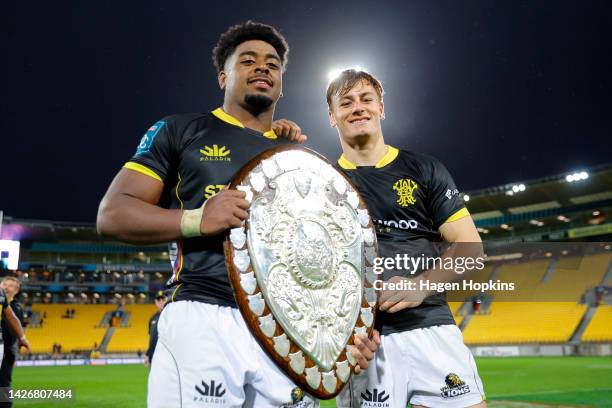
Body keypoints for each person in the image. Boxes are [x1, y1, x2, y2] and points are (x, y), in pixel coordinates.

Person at [97, 21, 376, 408]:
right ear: (223, 76)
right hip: (204, 314)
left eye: (273, 64)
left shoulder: (296, 158)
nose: (262, 67)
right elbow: (113, 214)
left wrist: (346, 332)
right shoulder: (181, 130)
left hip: (283, 331)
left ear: (281, 83)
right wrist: (197, 219)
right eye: (248, 60)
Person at [323, 69, 486, 407]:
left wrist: (421, 285)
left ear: (381, 108)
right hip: (365, 341)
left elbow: (471, 248)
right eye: (346, 102)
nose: (358, 108)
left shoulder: (424, 169)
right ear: (332, 117)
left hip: (431, 326)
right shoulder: (320, 182)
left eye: (367, 99)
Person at [0, 277, 26, 408]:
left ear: (16, 291)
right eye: (4, 283)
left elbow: (11, 331)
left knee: (3, 383)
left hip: (6, 351)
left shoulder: (16, 308)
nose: (5, 287)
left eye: (10, 286)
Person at [144, 290, 166, 368]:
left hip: (166, 359)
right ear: (155, 302)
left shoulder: (172, 316)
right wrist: (147, 354)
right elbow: (152, 339)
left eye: (163, 300)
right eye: (158, 300)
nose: (160, 302)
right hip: (153, 359)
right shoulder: (152, 318)